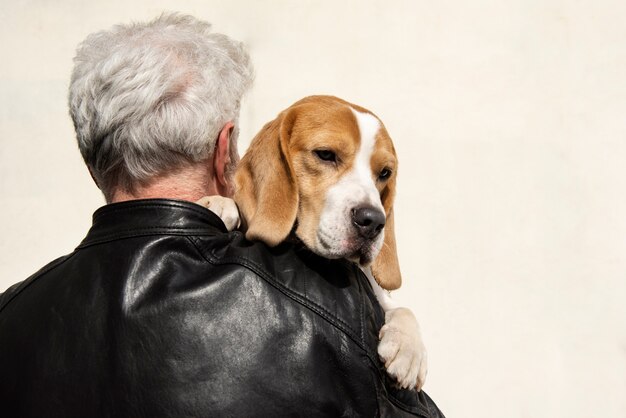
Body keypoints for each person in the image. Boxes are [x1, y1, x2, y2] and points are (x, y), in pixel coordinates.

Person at [0, 13, 444, 417]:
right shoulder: (334, 305)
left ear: (92, 158)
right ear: (224, 150)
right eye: (327, 156)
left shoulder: (12, 314)